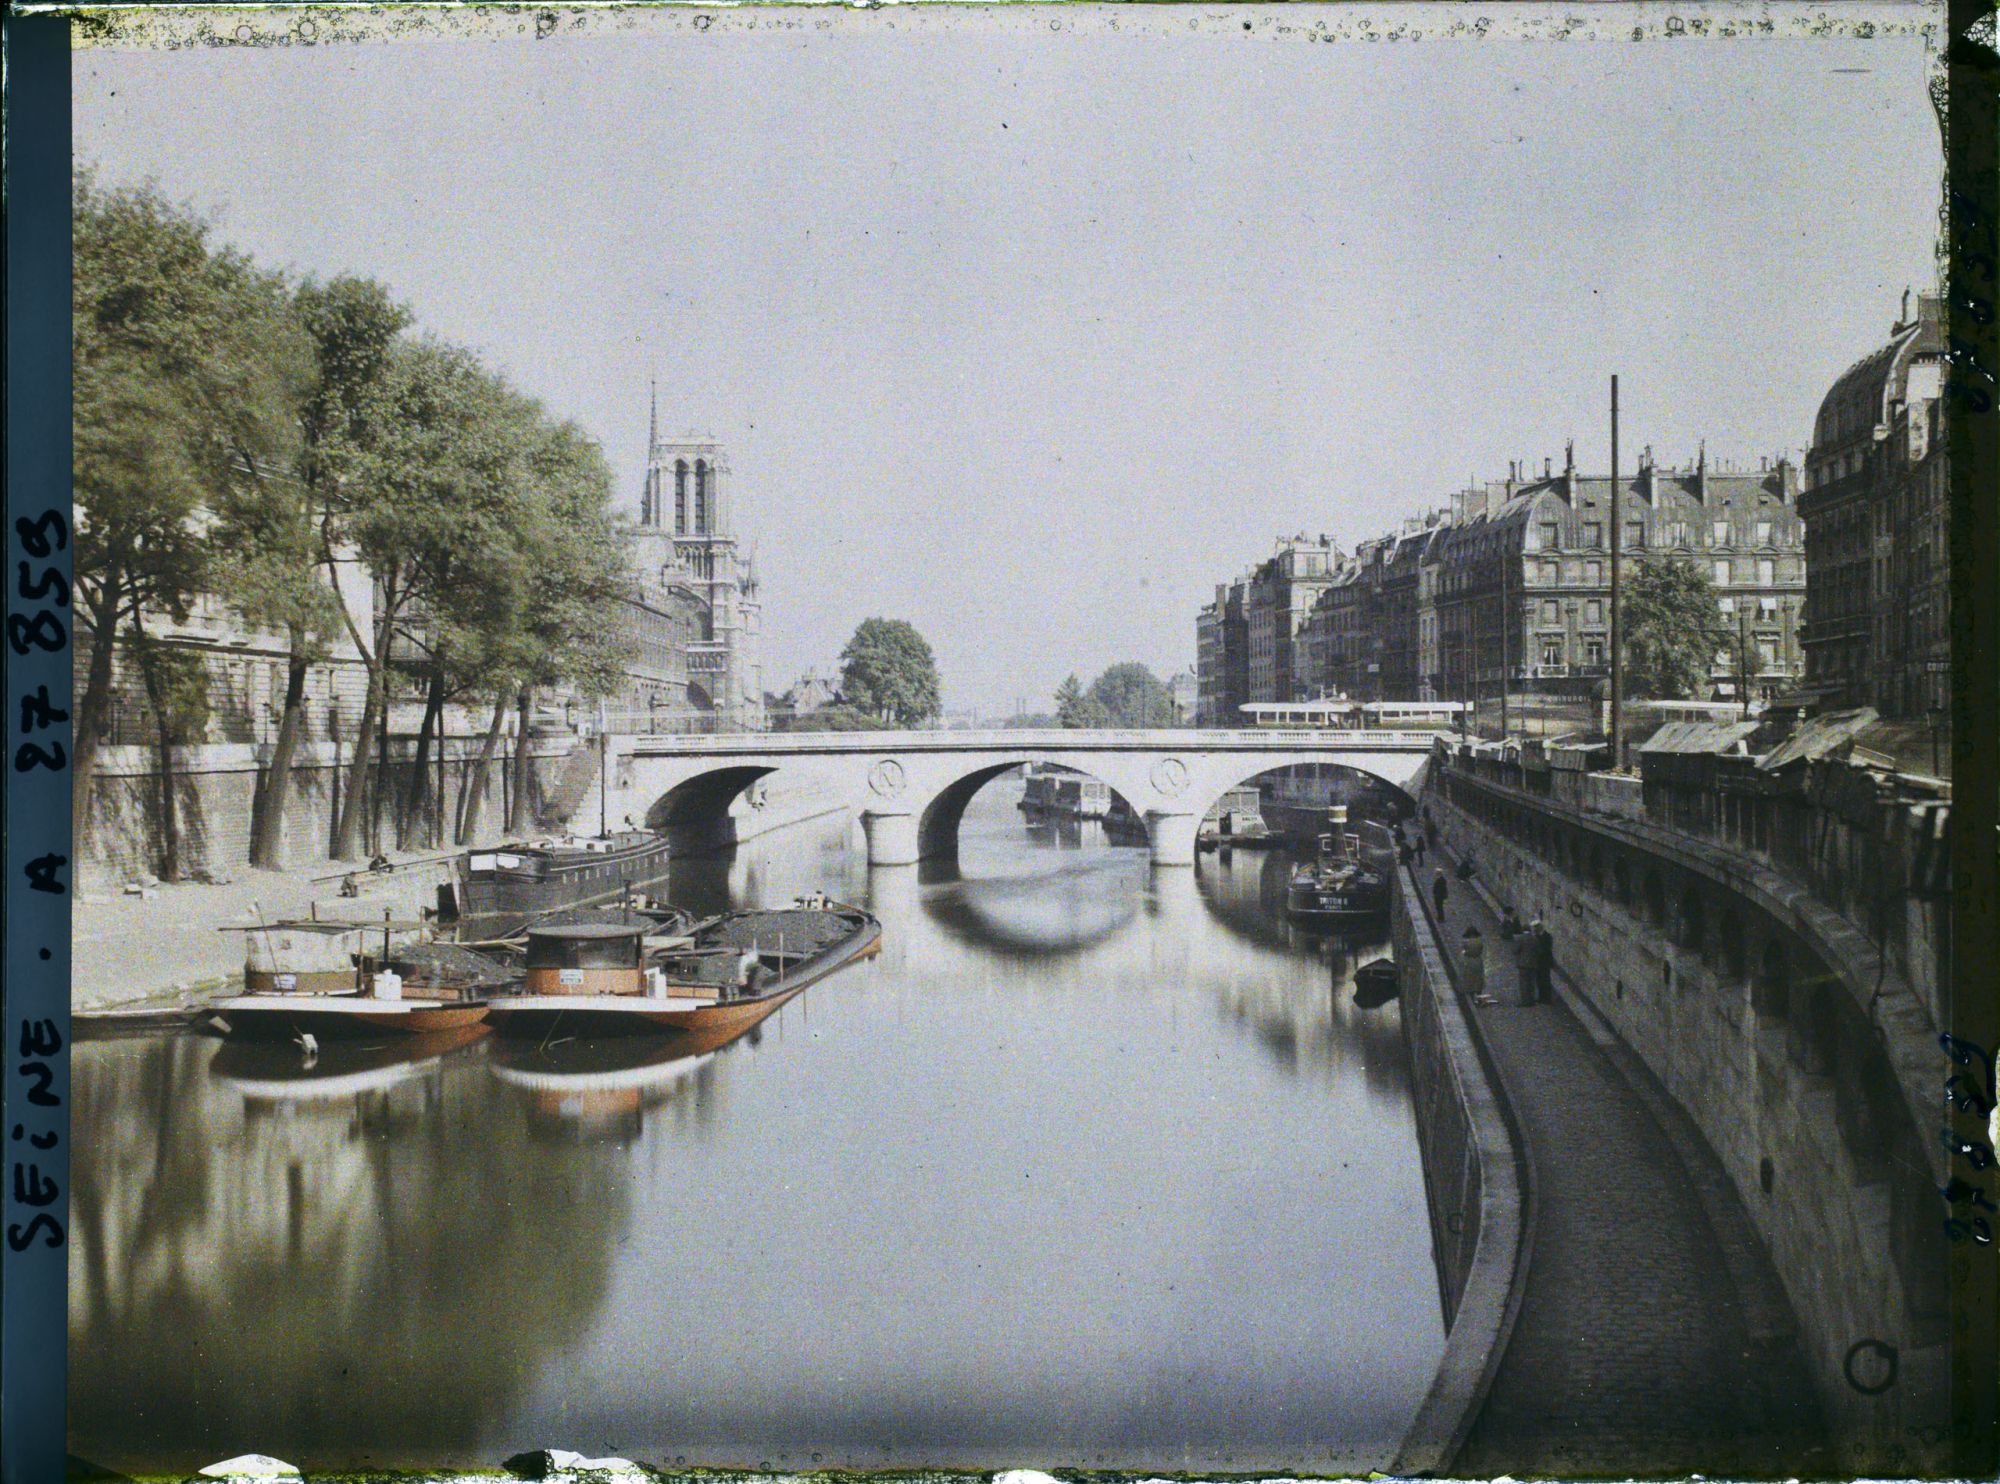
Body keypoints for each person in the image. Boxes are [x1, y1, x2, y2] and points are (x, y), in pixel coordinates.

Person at [1530, 918, 1555, 1003]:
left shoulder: (1547, 936)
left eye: (1535, 928)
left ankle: (1547, 998)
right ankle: (1541, 997)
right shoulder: (1536, 937)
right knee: (1539, 980)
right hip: (1538, 961)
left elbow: (1546, 949)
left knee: (1545, 979)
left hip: (1545, 961)